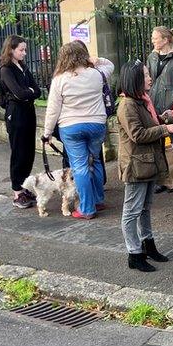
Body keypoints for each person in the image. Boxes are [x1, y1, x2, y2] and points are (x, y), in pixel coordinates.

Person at [42, 41, 114, 219]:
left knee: (80, 167)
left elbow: (53, 109)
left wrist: (47, 133)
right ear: (83, 55)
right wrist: (94, 60)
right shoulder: (97, 74)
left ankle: (87, 208)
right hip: (96, 124)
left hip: (71, 127)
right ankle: (98, 200)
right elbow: (110, 65)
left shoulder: (60, 79)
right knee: (95, 160)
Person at [117, 60, 173, 272]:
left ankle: (148, 245)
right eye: (145, 75)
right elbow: (138, 134)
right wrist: (164, 129)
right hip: (136, 166)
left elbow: (149, 123)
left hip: (148, 163)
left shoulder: (143, 101)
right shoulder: (127, 105)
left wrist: (163, 118)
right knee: (131, 211)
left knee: (145, 208)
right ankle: (134, 254)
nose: (150, 78)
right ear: (135, 80)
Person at [0, 35, 42, 209]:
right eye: (21, 50)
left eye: (25, 49)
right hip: (16, 113)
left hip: (28, 111)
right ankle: (17, 190)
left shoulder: (22, 66)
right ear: (11, 50)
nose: (24, 53)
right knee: (19, 152)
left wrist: (28, 91)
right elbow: (19, 93)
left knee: (29, 151)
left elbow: (37, 90)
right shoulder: (6, 69)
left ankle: (23, 186)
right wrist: (27, 92)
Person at [147, 26, 173, 193]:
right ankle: (162, 178)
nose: (153, 41)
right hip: (154, 101)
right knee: (158, 140)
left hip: (172, 103)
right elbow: (148, 78)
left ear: (165, 40)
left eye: (156, 38)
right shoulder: (152, 56)